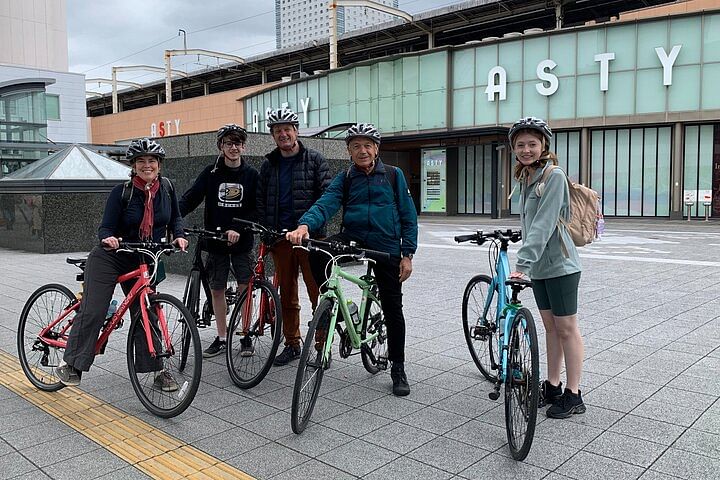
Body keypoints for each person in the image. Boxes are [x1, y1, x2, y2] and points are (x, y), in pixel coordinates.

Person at [286, 123, 418, 396]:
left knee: (393, 307)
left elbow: (408, 215)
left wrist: (407, 255)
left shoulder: (394, 175)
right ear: (348, 150)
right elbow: (326, 203)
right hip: (354, 237)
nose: (362, 151)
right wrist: (305, 226)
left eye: (367, 145)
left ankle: (398, 366)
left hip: (386, 245)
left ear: (376, 149)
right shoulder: (345, 178)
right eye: (356, 146)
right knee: (317, 251)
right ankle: (331, 304)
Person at [57, 138, 188, 388]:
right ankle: (71, 363)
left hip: (143, 257)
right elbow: (105, 226)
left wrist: (179, 236)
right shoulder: (122, 192)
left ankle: (157, 371)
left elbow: (175, 220)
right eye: (141, 161)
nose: (147, 165)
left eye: (151, 161)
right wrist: (108, 238)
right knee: (94, 309)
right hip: (111, 257)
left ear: (159, 165)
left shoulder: (168, 189)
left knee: (146, 312)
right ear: (133, 165)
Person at [507, 116, 585, 419]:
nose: (527, 149)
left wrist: (522, 263)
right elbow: (530, 223)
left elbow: (544, 223)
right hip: (540, 268)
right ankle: (552, 385)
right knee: (551, 327)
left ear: (544, 146)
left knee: (567, 329)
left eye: (532, 144)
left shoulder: (553, 176)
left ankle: (574, 394)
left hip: (562, 267)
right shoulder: (527, 176)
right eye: (521, 145)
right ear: (514, 148)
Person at [257, 107, 331, 366]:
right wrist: (267, 230)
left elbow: (327, 197)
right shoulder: (269, 165)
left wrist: (309, 226)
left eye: (287, 129)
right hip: (281, 240)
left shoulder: (315, 160)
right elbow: (261, 200)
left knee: (318, 293)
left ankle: (323, 345)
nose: (283, 134)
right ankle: (292, 343)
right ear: (273, 135)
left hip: (311, 240)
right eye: (278, 131)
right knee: (287, 296)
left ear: (297, 131)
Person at [179, 124, 259, 358]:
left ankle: (245, 336)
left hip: (242, 241)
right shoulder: (211, 173)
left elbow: (256, 208)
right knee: (217, 289)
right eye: (228, 143)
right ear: (220, 146)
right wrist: (172, 219)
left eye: (237, 143)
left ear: (243, 146)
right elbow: (191, 198)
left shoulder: (251, 175)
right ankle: (222, 337)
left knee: (245, 288)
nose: (233, 147)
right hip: (215, 241)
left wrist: (238, 227)